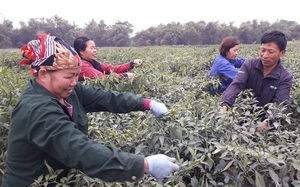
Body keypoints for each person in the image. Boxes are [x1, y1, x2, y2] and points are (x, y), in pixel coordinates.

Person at [2, 33, 179, 187]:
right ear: (43, 74)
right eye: (69, 76)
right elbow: (79, 149)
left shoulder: (69, 91)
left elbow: (106, 98)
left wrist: (147, 103)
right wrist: (143, 165)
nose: (74, 81)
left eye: (76, 76)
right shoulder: (36, 109)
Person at [221, 30, 293, 131]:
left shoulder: (285, 77)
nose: (265, 55)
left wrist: (266, 123)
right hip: (241, 120)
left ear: (282, 53)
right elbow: (236, 85)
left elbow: (280, 104)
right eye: (263, 50)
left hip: (266, 126)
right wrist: (225, 104)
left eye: (270, 52)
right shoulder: (249, 65)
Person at [73, 36, 143, 81]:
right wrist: (125, 75)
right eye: (92, 48)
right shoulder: (82, 66)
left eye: (95, 48)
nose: (95, 50)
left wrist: (132, 63)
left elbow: (113, 69)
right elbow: (102, 78)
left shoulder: (94, 63)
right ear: (81, 51)